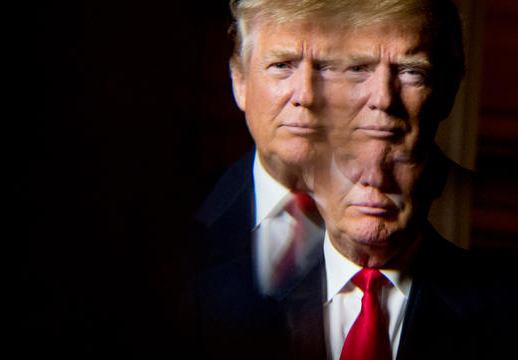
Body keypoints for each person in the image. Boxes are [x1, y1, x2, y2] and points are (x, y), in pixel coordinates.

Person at [184, 1, 513, 359]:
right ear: (238, 80)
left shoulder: (497, 305)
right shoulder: (207, 282)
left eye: (326, 68)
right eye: (282, 65)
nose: (308, 95)